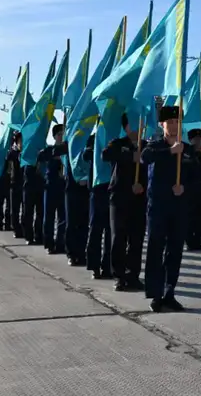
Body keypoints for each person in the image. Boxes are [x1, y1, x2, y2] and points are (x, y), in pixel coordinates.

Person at [141, 106, 200, 312]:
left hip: (179, 208)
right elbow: (145, 157)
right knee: (156, 249)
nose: (174, 126)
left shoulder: (188, 150)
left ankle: (169, 292)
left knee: (175, 252)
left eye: (177, 122)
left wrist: (184, 187)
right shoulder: (154, 146)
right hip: (158, 207)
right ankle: (155, 294)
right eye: (170, 122)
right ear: (162, 124)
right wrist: (169, 152)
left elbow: (197, 179)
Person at [103, 113, 148, 292]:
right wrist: (131, 156)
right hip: (119, 198)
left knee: (136, 240)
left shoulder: (146, 146)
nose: (140, 128)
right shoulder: (117, 143)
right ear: (127, 127)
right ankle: (119, 276)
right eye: (137, 124)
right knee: (118, 239)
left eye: (142, 125)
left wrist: (142, 186)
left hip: (139, 199)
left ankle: (133, 275)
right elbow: (105, 155)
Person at [84, 134, 112, 280]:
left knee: (110, 230)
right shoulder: (95, 137)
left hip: (113, 188)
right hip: (97, 188)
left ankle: (108, 266)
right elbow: (85, 154)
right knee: (95, 228)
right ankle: (94, 266)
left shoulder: (117, 136)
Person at [38, 124, 67, 255]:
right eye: (60, 134)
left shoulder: (67, 150)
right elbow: (41, 157)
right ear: (54, 136)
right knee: (49, 218)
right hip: (50, 188)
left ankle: (60, 243)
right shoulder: (50, 150)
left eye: (63, 133)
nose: (62, 136)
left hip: (64, 188)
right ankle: (49, 244)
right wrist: (55, 156)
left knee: (63, 218)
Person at [62, 141, 89, 268]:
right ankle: (72, 254)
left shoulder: (88, 142)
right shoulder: (70, 143)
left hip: (85, 190)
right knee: (71, 223)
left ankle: (81, 253)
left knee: (83, 224)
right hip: (71, 189)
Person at [22, 148, 45, 246]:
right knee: (28, 214)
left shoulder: (43, 153)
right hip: (29, 189)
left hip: (40, 188)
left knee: (40, 214)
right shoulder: (26, 156)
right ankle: (29, 236)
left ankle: (39, 236)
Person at [7, 132, 24, 238]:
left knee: (26, 209)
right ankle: (16, 229)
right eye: (20, 141)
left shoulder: (27, 152)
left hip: (25, 183)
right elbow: (9, 165)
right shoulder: (12, 153)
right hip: (14, 183)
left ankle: (24, 228)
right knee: (15, 209)